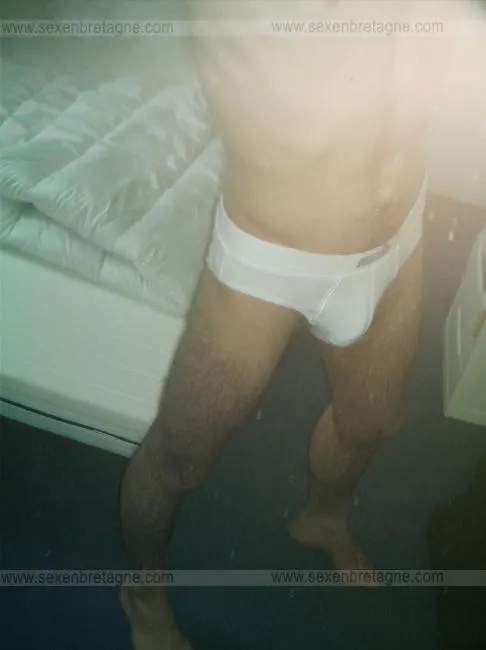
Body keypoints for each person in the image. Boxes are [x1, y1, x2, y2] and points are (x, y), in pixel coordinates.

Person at [119, 2, 483, 648]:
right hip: (268, 261)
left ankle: (323, 517)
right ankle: (141, 591)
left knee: (371, 422)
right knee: (178, 457)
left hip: (399, 234)